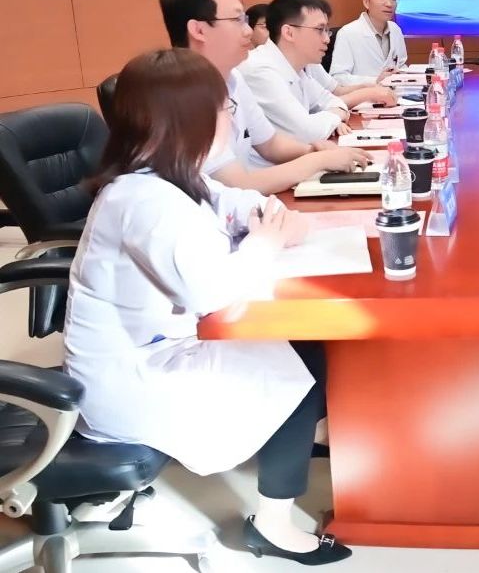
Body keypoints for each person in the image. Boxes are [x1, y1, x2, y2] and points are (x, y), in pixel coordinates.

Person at [64, 48, 352, 565]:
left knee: (302, 350)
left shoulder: (168, 174)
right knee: (301, 362)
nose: (231, 118)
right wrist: (263, 244)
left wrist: (266, 217)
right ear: (187, 119)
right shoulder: (144, 201)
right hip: (132, 378)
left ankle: (289, 445)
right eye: (224, 109)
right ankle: (273, 526)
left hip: (159, 349)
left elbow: (229, 202)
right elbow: (213, 295)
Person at [159, 0, 370, 194]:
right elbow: (238, 184)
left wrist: (312, 151)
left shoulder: (232, 78)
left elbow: (270, 144)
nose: (248, 31)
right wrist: (319, 160)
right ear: (199, 30)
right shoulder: (181, 95)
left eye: (245, 20)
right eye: (237, 20)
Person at [239, 0, 355, 144]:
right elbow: (306, 133)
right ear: (289, 33)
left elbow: (333, 101)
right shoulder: (260, 69)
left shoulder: (297, 67)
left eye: (327, 30)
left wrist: (332, 116)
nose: (327, 39)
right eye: (320, 30)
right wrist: (335, 117)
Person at [329, 0, 408, 84]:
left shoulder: (395, 30)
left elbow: (401, 65)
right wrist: (375, 81)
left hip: (394, 93)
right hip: (364, 94)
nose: (389, 4)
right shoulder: (347, 33)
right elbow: (338, 78)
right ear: (366, 2)